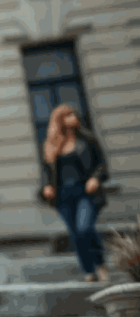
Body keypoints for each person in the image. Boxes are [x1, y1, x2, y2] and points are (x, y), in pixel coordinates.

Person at [40, 104, 111, 282]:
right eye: (68, 115)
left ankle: (100, 264)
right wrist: (47, 186)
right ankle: (89, 271)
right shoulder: (51, 145)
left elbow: (102, 165)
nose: (74, 116)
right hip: (63, 196)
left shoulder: (87, 140)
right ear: (60, 120)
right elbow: (47, 172)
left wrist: (95, 178)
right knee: (76, 234)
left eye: (73, 114)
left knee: (84, 228)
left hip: (85, 193)